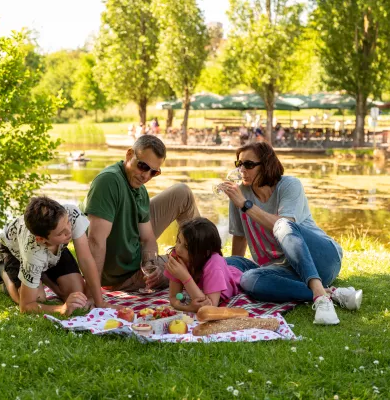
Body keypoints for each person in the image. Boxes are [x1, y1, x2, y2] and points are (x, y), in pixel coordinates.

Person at [218, 142, 363, 325]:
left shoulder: (289, 185)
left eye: (248, 164)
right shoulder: (239, 194)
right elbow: (239, 236)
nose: (241, 170)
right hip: (282, 268)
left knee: (284, 225)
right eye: (238, 164)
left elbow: (283, 226)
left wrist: (245, 205)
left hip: (321, 260)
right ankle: (330, 293)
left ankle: (320, 296)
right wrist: (233, 275)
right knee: (239, 273)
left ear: (266, 165)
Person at [83, 135, 200, 291]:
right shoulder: (109, 181)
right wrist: (93, 293)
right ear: (129, 154)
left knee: (194, 257)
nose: (146, 176)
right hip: (123, 277)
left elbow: (148, 238)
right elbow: (96, 240)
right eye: (143, 166)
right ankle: (210, 265)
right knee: (191, 265)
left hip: (138, 265)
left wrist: (150, 265)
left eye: (153, 172)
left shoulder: (140, 190)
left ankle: (208, 258)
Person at [0, 197, 111, 315]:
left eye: (68, 223)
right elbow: (26, 306)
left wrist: (100, 302)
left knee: (77, 295)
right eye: (60, 233)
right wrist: (62, 309)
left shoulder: (71, 214)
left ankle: (41, 275)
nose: (69, 231)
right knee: (38, 298)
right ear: (41, 239)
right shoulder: (33, 252)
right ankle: (1, 269)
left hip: (55, 247)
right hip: (14, 250)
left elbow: (86, 260)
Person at [164, 218, 243, 312]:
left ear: (204, 252)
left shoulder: (214, 265)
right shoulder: (178, 256)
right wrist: (188, 308)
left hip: (241, 270)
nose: (178, 249)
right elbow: (174, 297)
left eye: (186, 247)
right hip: (225, 265)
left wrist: (185, 277)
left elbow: (209, 308)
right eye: (178, 241)